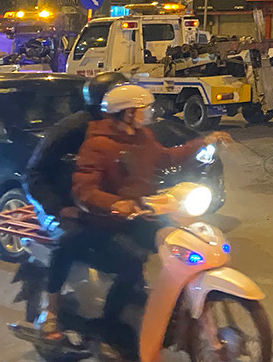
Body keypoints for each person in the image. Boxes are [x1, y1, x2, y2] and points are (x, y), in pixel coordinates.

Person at [71, 84, 230, 356]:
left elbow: (167, 157)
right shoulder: (97, 144)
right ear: (128, 113)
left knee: (184, 246)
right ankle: (108, 331)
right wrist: (115, 203)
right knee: (130, 266)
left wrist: (203, 142)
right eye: (143, 109)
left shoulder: (143, 138)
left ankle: (170, 310)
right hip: (105, 223)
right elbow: (83, 190)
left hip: (140, 215)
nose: (147, 113)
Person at [27, 72, 127, 338]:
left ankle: (125, 308)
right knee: (72, 238)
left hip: (98, 203)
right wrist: (58, 207)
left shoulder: (125, 130)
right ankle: (51, 310)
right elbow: (34, 174)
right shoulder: (70, 130)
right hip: (59, 203)